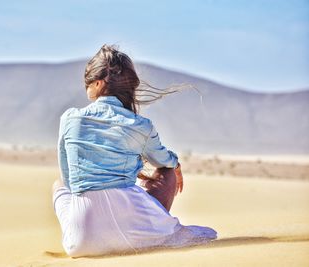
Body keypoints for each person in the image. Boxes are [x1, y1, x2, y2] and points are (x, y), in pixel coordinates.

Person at [52, 44, 217, 257]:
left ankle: (107, 230)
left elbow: (69, 180)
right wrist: (175, 166)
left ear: (99, 83)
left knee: (59, 185)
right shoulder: (140, 124)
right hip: (136, 231)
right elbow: (163, 160)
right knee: (167, 172)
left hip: (82, 242)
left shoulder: (69, 118)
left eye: (88, 83)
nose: (86, 88)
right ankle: (153, 229)